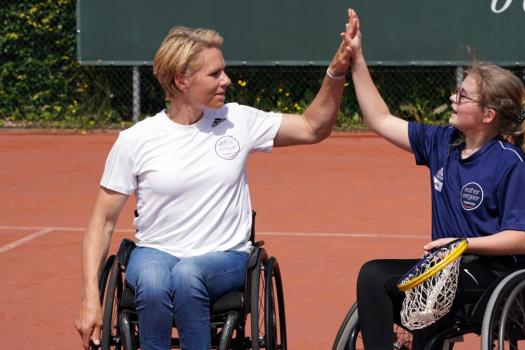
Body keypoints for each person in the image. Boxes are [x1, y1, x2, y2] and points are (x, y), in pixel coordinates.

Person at [74, 13, 358, 350]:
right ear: (182, 80)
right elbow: (102, 222)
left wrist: (337, 70)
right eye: (215, 73)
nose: (226, 80)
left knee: (187, 275)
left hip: (225, 257)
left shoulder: (237, 120)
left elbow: (314, 127)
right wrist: (90, 297)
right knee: (151, 281)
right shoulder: (137, 139)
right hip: (155, 253)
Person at [340, 9, 525, 349]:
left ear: (488, 115)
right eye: (458, 90)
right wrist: (357, 58)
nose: (453, 98)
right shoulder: (442, 142)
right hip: (444, 270)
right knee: (374, 278)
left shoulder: (513, 164)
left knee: (405, 279)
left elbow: (523, 239)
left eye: (463, 96)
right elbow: (380, 119)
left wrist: (464, 244)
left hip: (493, 275)